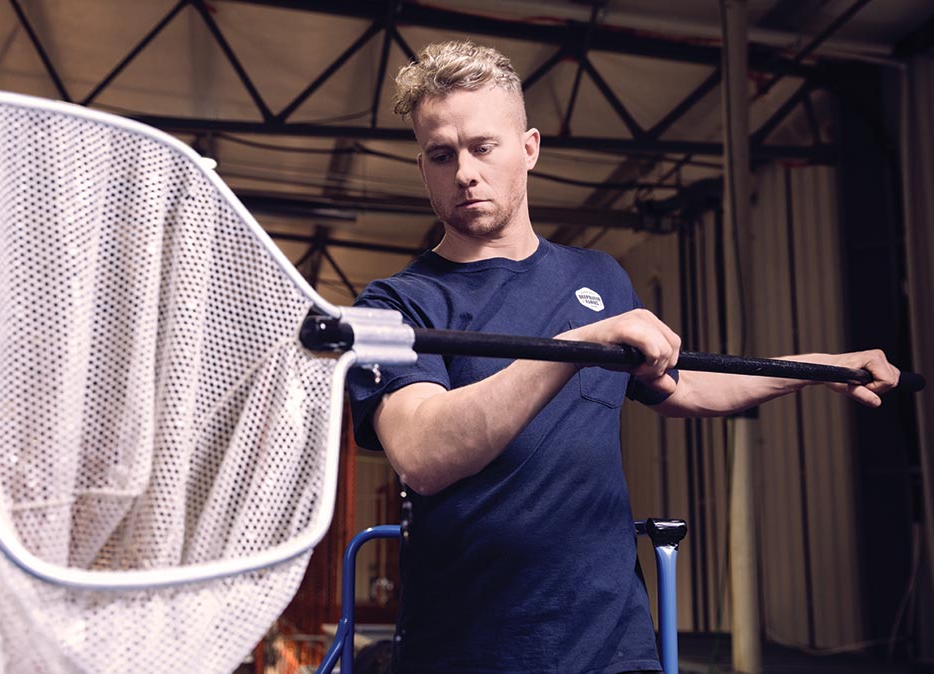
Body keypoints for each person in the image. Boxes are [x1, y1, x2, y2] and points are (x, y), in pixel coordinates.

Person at [346, 40, 900, 674]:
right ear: (423, 168)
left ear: (528, 149)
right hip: (470, 649)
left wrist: (822, 367)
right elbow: (423, 455)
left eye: (483, 147)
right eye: (442, 155)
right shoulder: (394, 303)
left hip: (612, 646)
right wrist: (575, 348)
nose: (465, 172)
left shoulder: (597, 277)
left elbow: (683, 387)